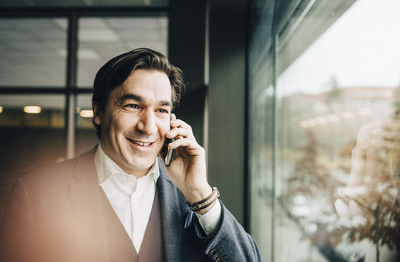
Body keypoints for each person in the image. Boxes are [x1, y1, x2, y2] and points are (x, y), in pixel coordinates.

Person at [0, 48, 262, 262]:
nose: (147, 126)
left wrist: (200, 195)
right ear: (99, 111)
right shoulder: (35, 193)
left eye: (161, 110)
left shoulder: (190, 200)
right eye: (133, 105)